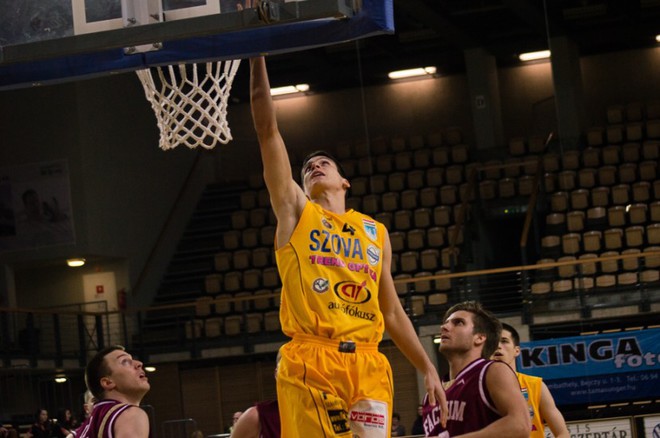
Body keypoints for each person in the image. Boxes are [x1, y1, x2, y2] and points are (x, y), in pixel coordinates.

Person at [249, 56, 447, 437]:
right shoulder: (295, 211)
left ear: (345, 182)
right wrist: (257, 55)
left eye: (324, 163)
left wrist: (427, 366)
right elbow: (267, 130)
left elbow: (391, 311)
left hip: (369, 363)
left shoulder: (375, 232)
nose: (314, 166)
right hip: (312, 357)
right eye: (308, 168)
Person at [422, 301, 530, 437]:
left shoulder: (492, 371)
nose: (444, 327)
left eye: (458, 323)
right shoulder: (432, 393)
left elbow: (520, 426)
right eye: (446, 323)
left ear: (479, 338)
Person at [491, 323, 569, 438]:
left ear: (517, 351)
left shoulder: (536, 385)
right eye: (492, 342)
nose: (497, 346)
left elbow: (562, 433)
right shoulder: (475, 388)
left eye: (504, 341)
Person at [68, 345, 151, 438]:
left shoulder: (77, 433)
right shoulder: (130, 414)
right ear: (108, 382)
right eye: (125, 361)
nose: (139, 363)